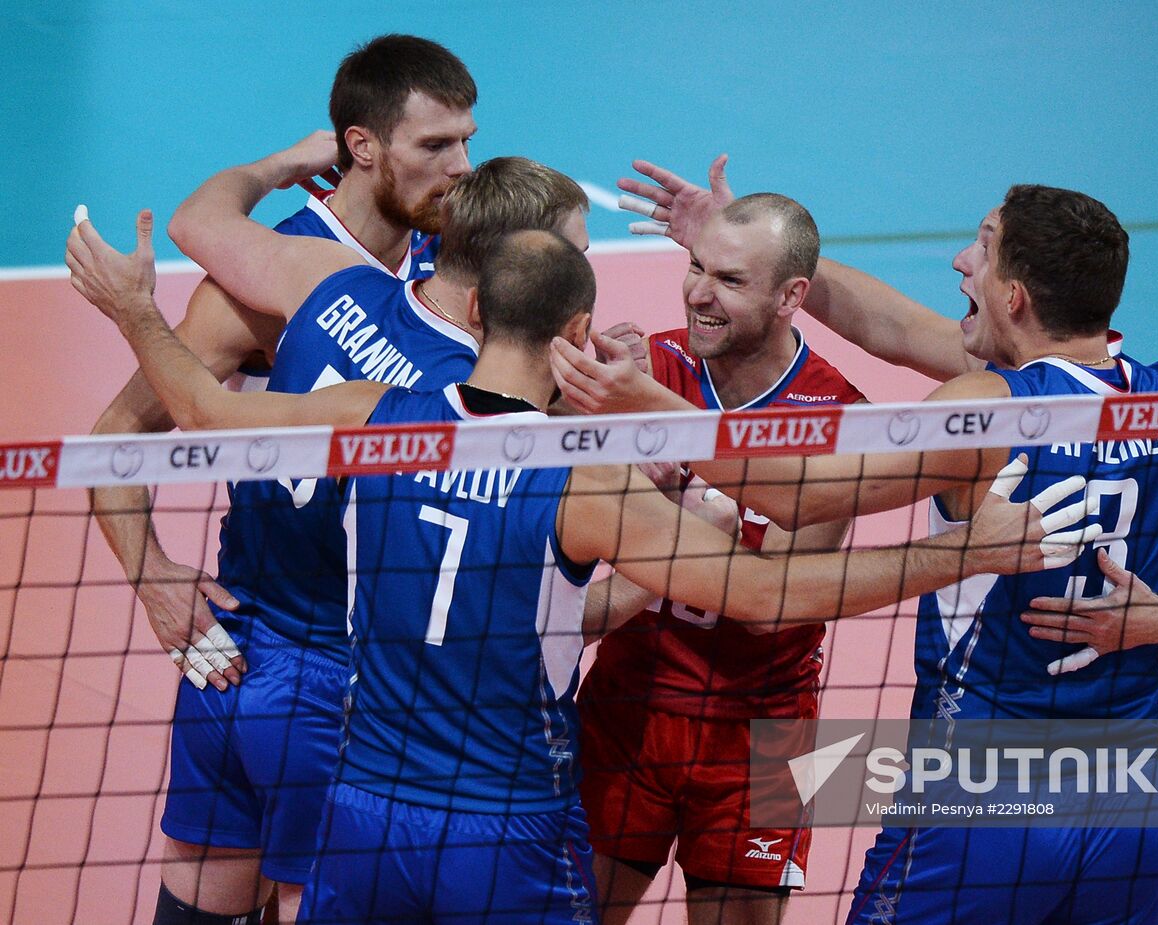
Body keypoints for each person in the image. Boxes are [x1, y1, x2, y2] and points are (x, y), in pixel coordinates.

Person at [552, 49, 1158, 923]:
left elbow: (800, 494)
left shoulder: (984, 415)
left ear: (1016, 297)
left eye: (981, 251)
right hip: (1154, 791)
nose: (960, 261)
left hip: (988, 796)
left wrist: (650, 410)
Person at [68, 218, 1102, 923]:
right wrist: (951, 552)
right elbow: (764, 592)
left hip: (363, 807)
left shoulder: (372, 420)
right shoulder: (584, 483)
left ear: (470, 316)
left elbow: (203, 414)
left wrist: (132, 307)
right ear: (573, 333)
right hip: (504, 823)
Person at [84, 34, 480, 924]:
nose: (461, 167)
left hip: (389, 670)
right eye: (435, 147)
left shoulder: (454, 274)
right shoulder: (259, 279)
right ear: (363, 146)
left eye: (466, 141)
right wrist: (152, 576)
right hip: (284, 656)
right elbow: (114, 436)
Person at [578, 194, 864, 924]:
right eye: (697, 267)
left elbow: (784, 604)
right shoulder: (642, 374)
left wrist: (677, 518)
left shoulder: (837, 417)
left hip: (763, 736)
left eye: (731, 280)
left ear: (790, 297)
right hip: (625, 709)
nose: (700, 293)